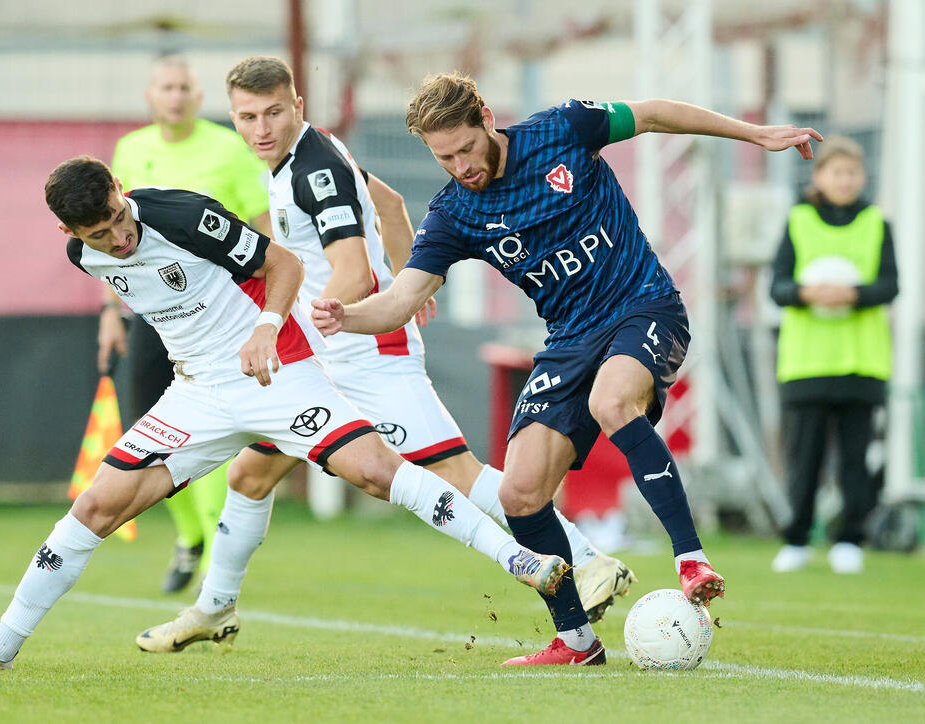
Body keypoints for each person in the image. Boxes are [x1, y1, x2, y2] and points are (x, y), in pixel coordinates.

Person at [0, 155, 569, 672]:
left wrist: (265, 326)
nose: (118, 237)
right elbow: (141, 292)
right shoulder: (83, 255)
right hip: (199, 394)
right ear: (69, 234)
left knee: (374, 470)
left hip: (276, 371)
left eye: (118, 217)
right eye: (98, 234)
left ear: (121, 188)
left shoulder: (178, 214)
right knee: (96, 508)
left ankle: (518, 560)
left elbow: (278, 263)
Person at [312, 73, 822, 666]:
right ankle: (577, 643)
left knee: (612, 403)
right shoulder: (454, 213)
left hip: (643, 305)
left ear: (485, 117)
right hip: (569, 340)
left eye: (466, 149)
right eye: (444, 157)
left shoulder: (564, 128)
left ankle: (690, 560)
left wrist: (756, 135)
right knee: (520, 491)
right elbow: (401, 301)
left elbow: (654, 111)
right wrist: (343, 316)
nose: (461, 166)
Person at [134, 56, 635, 653]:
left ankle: (589, 558)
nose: (260, 128)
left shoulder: (311, 171)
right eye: (247, 116)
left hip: (363, 353)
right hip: (331, 354)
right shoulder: (305, 156)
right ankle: (215, 606)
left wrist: (334, 314)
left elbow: (348, 272)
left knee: (453, 471)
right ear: (234, 118)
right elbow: (393, 205)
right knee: (250, 473)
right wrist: (409, 282)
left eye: (273, 112)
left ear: (297, 106)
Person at [103, 54, 272, 593]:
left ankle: (212, 554)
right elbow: (108, 240)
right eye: (165, 87)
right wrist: (112, 313)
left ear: (199, 98)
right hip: (153, 316)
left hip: (219, 316)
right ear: (150, 97)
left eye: (184, 87)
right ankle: (189, 537)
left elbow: (262, 224)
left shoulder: (228, 148)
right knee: (148, 427)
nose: (175, 96)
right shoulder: (131, 150)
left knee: (214, 429)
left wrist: (271, 307)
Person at [769, 135, 898, 575]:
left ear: (862, 178)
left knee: (855, 459)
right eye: (836, 172)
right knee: (804, 458)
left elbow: (889, 285)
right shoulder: (799, 220)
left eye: (853, 173)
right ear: (820, 176)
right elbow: (778, 286)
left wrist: (853, 294)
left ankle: (850, 539)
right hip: (806, 364)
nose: (845, 181)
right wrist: (807, 292)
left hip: (862, 362)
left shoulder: (877, 223)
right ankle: (797, 539)